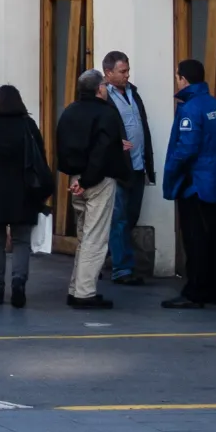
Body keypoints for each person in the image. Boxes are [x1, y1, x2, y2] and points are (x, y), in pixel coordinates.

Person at [162, 59, 216, 309]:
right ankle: (215, 288)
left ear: (183, 79)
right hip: (215, 181)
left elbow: (186, 148)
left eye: (177, 77)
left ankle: (195, 291)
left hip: (194, 184)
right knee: (214, 238)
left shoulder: (190, 109)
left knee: (195, 239)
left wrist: (171, 173)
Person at [0, 84, 50, 308]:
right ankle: (18, 283)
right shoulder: (27, 125)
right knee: (21, 240)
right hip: (23, 190)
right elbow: (40, 157)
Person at [55, 67, 125, 309]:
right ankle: (84, 292)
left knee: (84, 235)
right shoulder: (106, 114)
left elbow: (63, 146)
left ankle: (76, 287)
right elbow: (102, 151)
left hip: (75, 178)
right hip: (97, 180)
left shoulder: (69, 112)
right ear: (100, 89)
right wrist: (87, 179)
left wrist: (76, 179)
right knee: (95, 237)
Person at [101, 51, 156, 286]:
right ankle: (122, 269)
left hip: (138, 164)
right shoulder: (102, 96)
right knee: (119, 218)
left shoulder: (133, 93)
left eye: (127, 70)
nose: (127, 75)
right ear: (108, 73)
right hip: (118, 167)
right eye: (122, 71)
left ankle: (109, 255)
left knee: (130, 215)